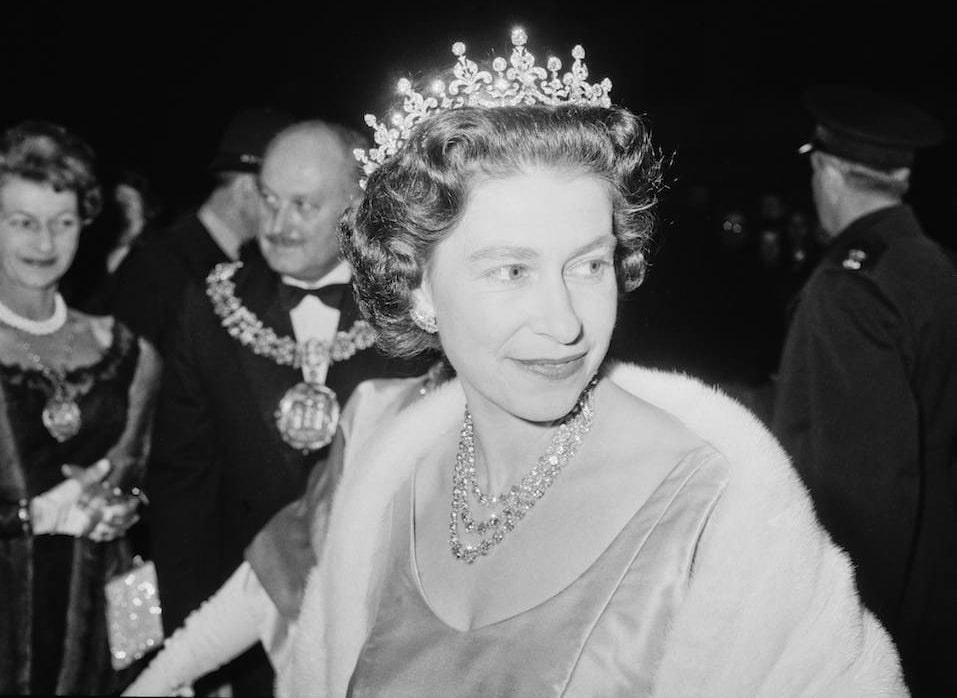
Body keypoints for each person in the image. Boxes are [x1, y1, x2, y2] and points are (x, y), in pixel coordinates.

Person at [127, 31, 904, 697]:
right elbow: (268, 581)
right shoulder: (383, 461)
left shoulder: (721, 503)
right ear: (418, 288)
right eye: (510, 271)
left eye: (590, 264)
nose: (565, 322)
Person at [146, 119, 429, 696]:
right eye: (269, 200)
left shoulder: (417, 310)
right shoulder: (210, 309)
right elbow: (183, 492)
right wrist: (201, 660)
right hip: (245, 631)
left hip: (386, 627)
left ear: (359, 204)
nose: (277, 226)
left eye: (303, 205)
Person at [772, 84, 957, 695]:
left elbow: (860, 499)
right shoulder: (930, 265)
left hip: (883, 636)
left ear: (826, 172)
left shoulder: (849, 293)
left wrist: (840, 649)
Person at [0, 121, 159, 694]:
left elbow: (139, 496)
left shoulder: (127, 352)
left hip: (102, 637)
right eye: (23, 222)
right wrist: (31, 518)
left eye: (63, 222)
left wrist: (128, 505)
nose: (44, 243)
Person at [111, 106, 294, 354]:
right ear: (247, 187)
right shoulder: (160, 264)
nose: (289, 212)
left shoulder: (253, 262)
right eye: (279, 195)